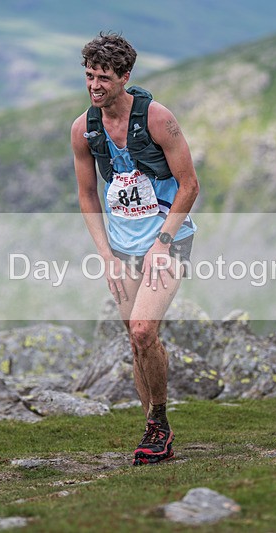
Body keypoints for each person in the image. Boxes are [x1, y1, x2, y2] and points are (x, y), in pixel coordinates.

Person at [70, 32, 200, 465]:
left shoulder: (158, 119)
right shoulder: (83, 129)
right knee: (137, 341)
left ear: (125, 76)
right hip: (122, 247)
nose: (95, 86)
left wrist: (163, 243)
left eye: (104, 78)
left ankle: (158, 425)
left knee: (143, 330)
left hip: (168, 240)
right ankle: (154, 429)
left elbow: (189, 185)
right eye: (90, 76)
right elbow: (87, 195)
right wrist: (106, 255)